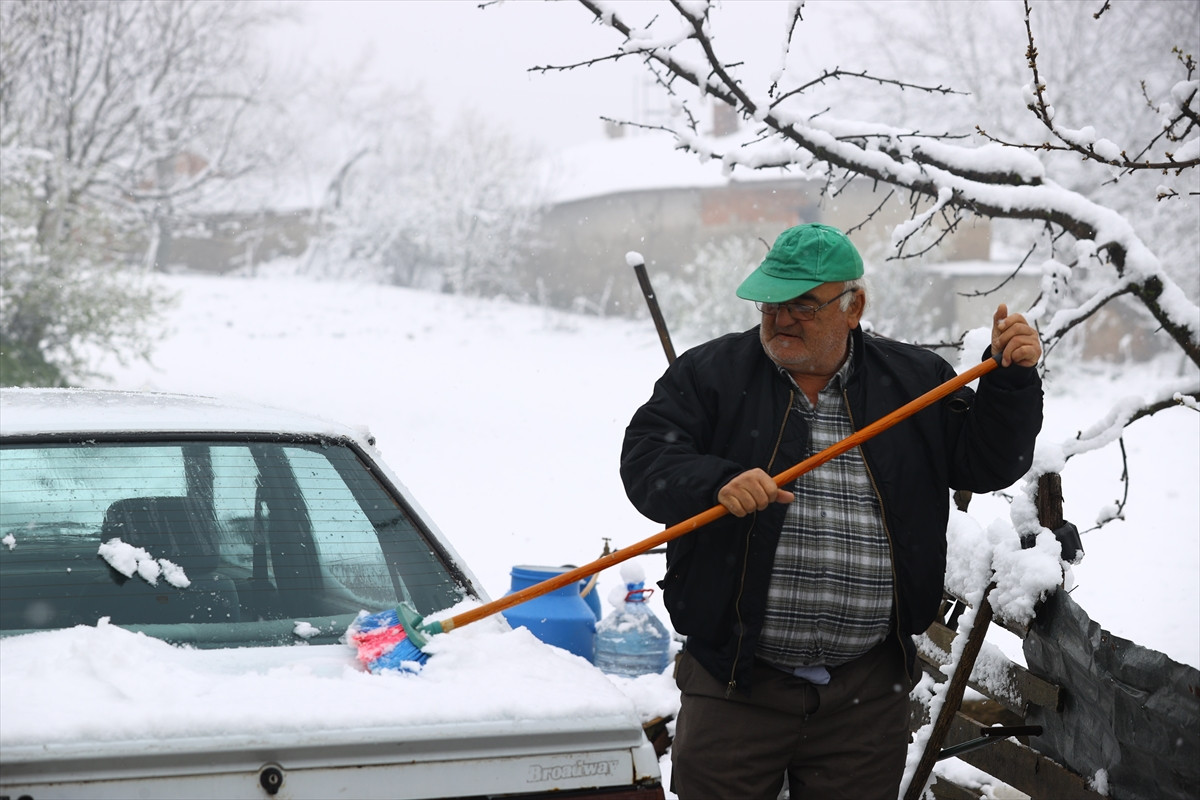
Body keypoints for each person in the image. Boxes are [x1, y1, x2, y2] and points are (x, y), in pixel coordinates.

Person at [620, 223, 1043, 799]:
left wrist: (1012, 383)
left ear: (854, 306)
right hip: (734, 683)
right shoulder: (709, 377)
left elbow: (989, 462)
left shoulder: (914, 382)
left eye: (803, 305)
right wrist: (716, 480)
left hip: (864, 697)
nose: (781, 319)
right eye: (772, 302)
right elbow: (645, 462)